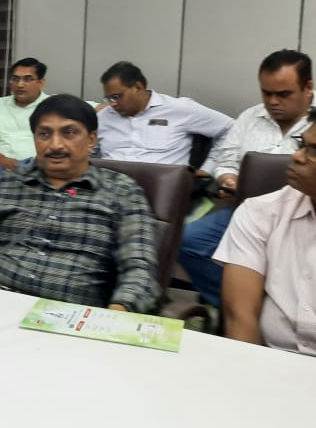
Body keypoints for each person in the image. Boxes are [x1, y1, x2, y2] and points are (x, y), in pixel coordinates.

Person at [0, 94, 161, 313]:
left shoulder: (121, 191)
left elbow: (139, 268)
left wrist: (115, 315)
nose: (55, 145)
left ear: (91, 140)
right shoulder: (10, 183)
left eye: (69, 133)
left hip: (65, 316)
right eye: (44, 134)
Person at [180, 50, 315, 307]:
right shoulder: (249, 118)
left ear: (308, 87)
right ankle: (242, 305)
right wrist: (228, 179)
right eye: (266, 93)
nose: (273, 101)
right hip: (245, 209)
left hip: (305, 213)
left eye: (283, 94)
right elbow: (227, 161)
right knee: (188, 241)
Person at [215, 107, 316, 355]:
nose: (297, 156)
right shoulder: (261, 211)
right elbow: (240, 316)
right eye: (302, 144)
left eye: (314, 151)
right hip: (270, 360)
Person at [98, 61, 232, 174]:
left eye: (116, 97)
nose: (112, 104)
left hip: (159, 188)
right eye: (108, 98)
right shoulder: (103, 117)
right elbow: (88, 152)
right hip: (107, 187)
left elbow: (230, 128)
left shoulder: (179, 109)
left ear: (138, 87)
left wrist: (208, 168)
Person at [0, 57, 50, 180]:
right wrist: (0, 159)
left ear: (41, 82)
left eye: (27, 79)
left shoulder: (52, 105)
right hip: (2, 165)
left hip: (37, 164)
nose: (20, 85)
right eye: (15, 79)